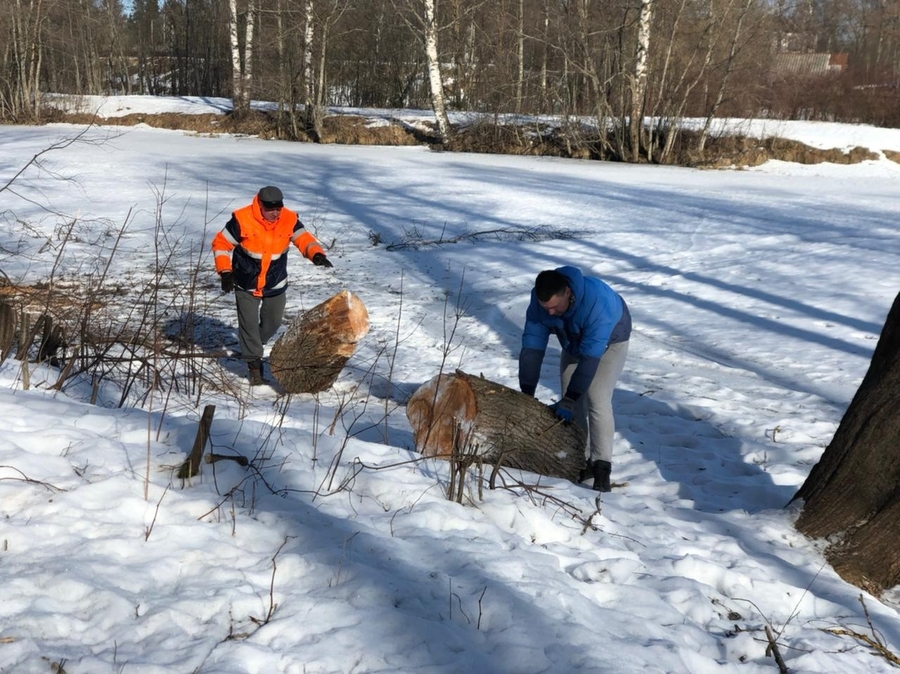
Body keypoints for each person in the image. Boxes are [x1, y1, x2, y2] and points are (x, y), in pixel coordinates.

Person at [518, 266, 631, 491]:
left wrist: (570, 398)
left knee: (596, 397)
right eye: (545, 308)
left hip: (611, 341)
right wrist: (527, 393)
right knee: (570, 398)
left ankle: (601, 467)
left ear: (568, 293)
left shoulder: (597, 304)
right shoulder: (541, 303)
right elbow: (532, 348)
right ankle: (581, 460)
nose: (549, 313)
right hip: (573, 341)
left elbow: (590, 360)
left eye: (554, 307)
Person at [212, 185, 333, 385]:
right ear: (259, 205)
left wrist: (316, 254)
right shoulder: (242, 219)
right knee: (249, 326)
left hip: (275, 282)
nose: (275, 213)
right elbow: (221, 244)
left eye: (278, 208)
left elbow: (304, 239)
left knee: (272, 323)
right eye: (270, 209)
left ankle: (253, 348)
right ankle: (254, 367)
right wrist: (225, 272)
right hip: (246, 283)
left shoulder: (289, 219)